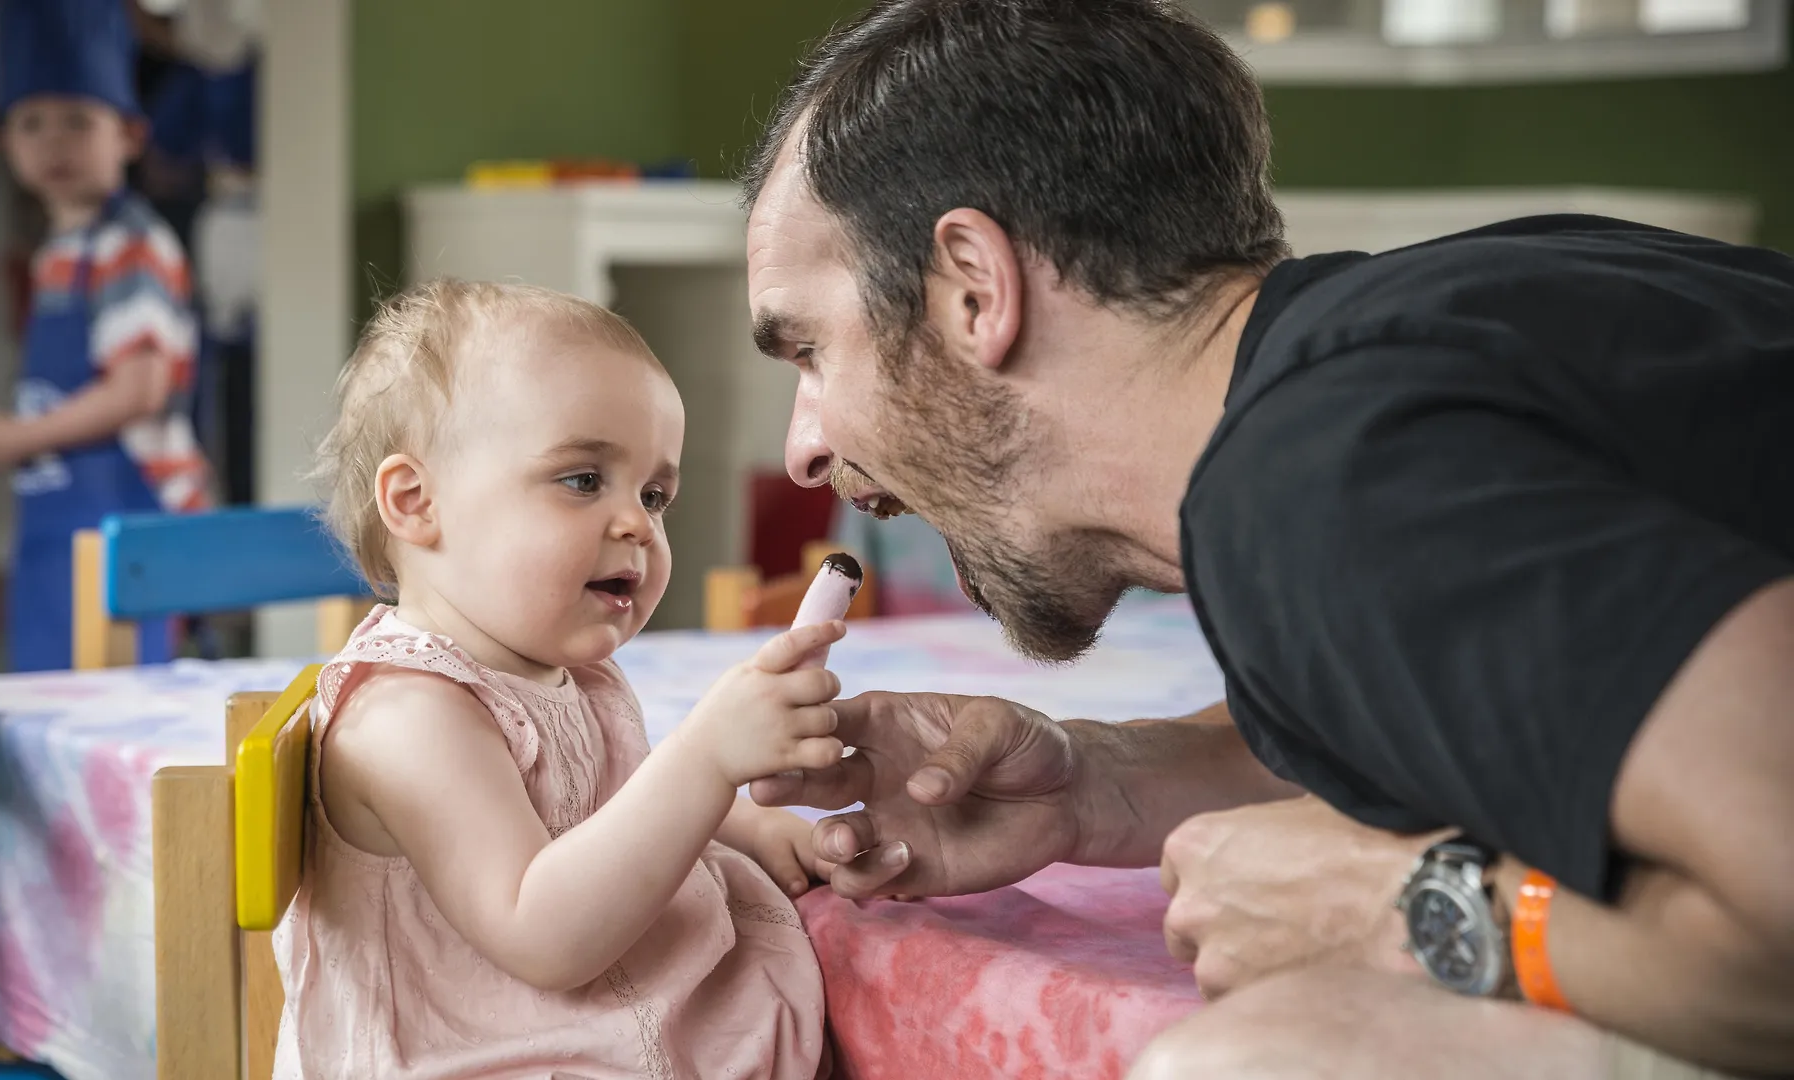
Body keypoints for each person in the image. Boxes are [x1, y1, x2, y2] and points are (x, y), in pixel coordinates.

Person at [736, 2, 1794, 1077]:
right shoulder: (1443, 334)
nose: (806, 448)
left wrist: (1409, 909)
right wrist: (1102, 784)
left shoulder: (1329, 480)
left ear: (973, 287)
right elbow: (1520, 695)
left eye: (812, 351)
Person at [281, 280, 834, 1078]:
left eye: (655, 495)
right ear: (416, 502)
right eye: (582, 480)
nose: (637, 524)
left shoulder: (568, 676)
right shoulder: (408, 717)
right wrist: (706, 759)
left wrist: (751, 825)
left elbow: (606, 808)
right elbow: (543, 932)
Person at [0, 0, 210, 671]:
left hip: (125, 533)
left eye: (80, 121)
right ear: (4, 141)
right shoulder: (59, 251)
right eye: (33, 123)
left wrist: (13, 440)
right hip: (61, 531)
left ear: (130, 136)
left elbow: (138, 390)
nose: (56, 142)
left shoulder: (128, 242)